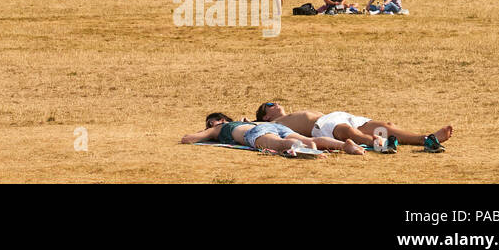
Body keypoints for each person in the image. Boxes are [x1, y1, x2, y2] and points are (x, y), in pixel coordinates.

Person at [254, 102, 452, 153]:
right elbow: (246, 127)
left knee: (385, 126)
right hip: (321, 125)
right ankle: (380, 145)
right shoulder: (271, 124)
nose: (276, 103)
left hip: (336, 115)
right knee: (351, 133)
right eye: (270, 104)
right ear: (266, 115)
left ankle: (426, 139)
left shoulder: (286, 115)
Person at [180, 113, 363, 155]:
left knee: (277, 144)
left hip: (255, 133)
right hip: (273, 126)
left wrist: (206, 132)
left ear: (216, 121)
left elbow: (188, 139)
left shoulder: (218, 128)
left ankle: (309, 150)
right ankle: (344, 146)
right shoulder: (247, 121)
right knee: (309, 139)